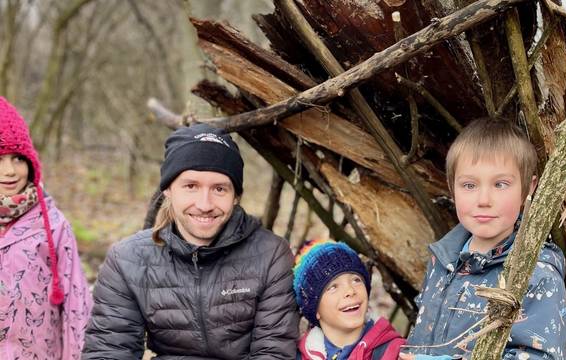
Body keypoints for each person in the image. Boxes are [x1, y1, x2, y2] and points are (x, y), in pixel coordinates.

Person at [82, 124, 299, 359]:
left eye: (219, 189)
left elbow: (273, 353)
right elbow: (109, 350)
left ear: (236, 196)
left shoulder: (270, 255)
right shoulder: (128, 259)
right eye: (191, 186)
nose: (204, 204)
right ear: (168, 190)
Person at [399, 118, 566, 359]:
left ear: (528, 188)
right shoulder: (443, 260)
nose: (484, 199)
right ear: (452, 187)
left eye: (500, 184)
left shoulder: (537, 274)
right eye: (469, 185)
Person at [0, 96, 93, 359]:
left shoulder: (52, 225)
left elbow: (77, 305)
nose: (10, 171)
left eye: (18, 158)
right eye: (0, 158)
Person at [294, 239, 406, 360]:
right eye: (333, 287)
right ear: (316, 310)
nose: (350, 291)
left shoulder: (396, 354)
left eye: (356, 280)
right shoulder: (298, 356)